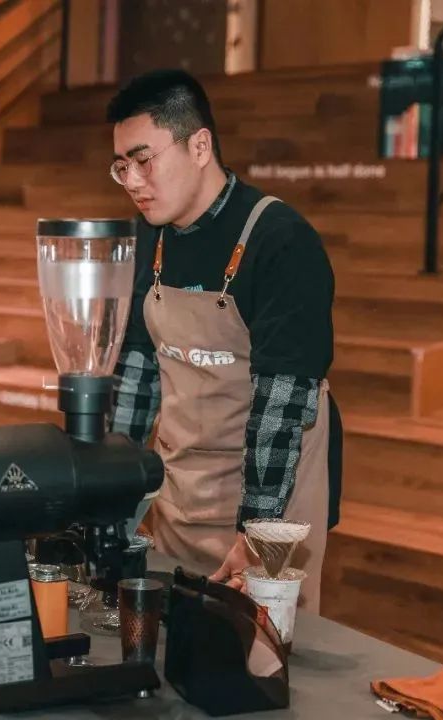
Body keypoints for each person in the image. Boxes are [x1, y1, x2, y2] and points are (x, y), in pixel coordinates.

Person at [106, 70, 341, 612]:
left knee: (258, 648)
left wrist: (258, 533)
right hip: (183, 488)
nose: (133, 181)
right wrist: (111, 493)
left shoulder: (281, 241)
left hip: (271, 492)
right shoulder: (151, 236)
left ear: (199, 145)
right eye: (121, 167)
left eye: (144, 160)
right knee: (173, 633)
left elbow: (282, 404)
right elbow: (138, 371)